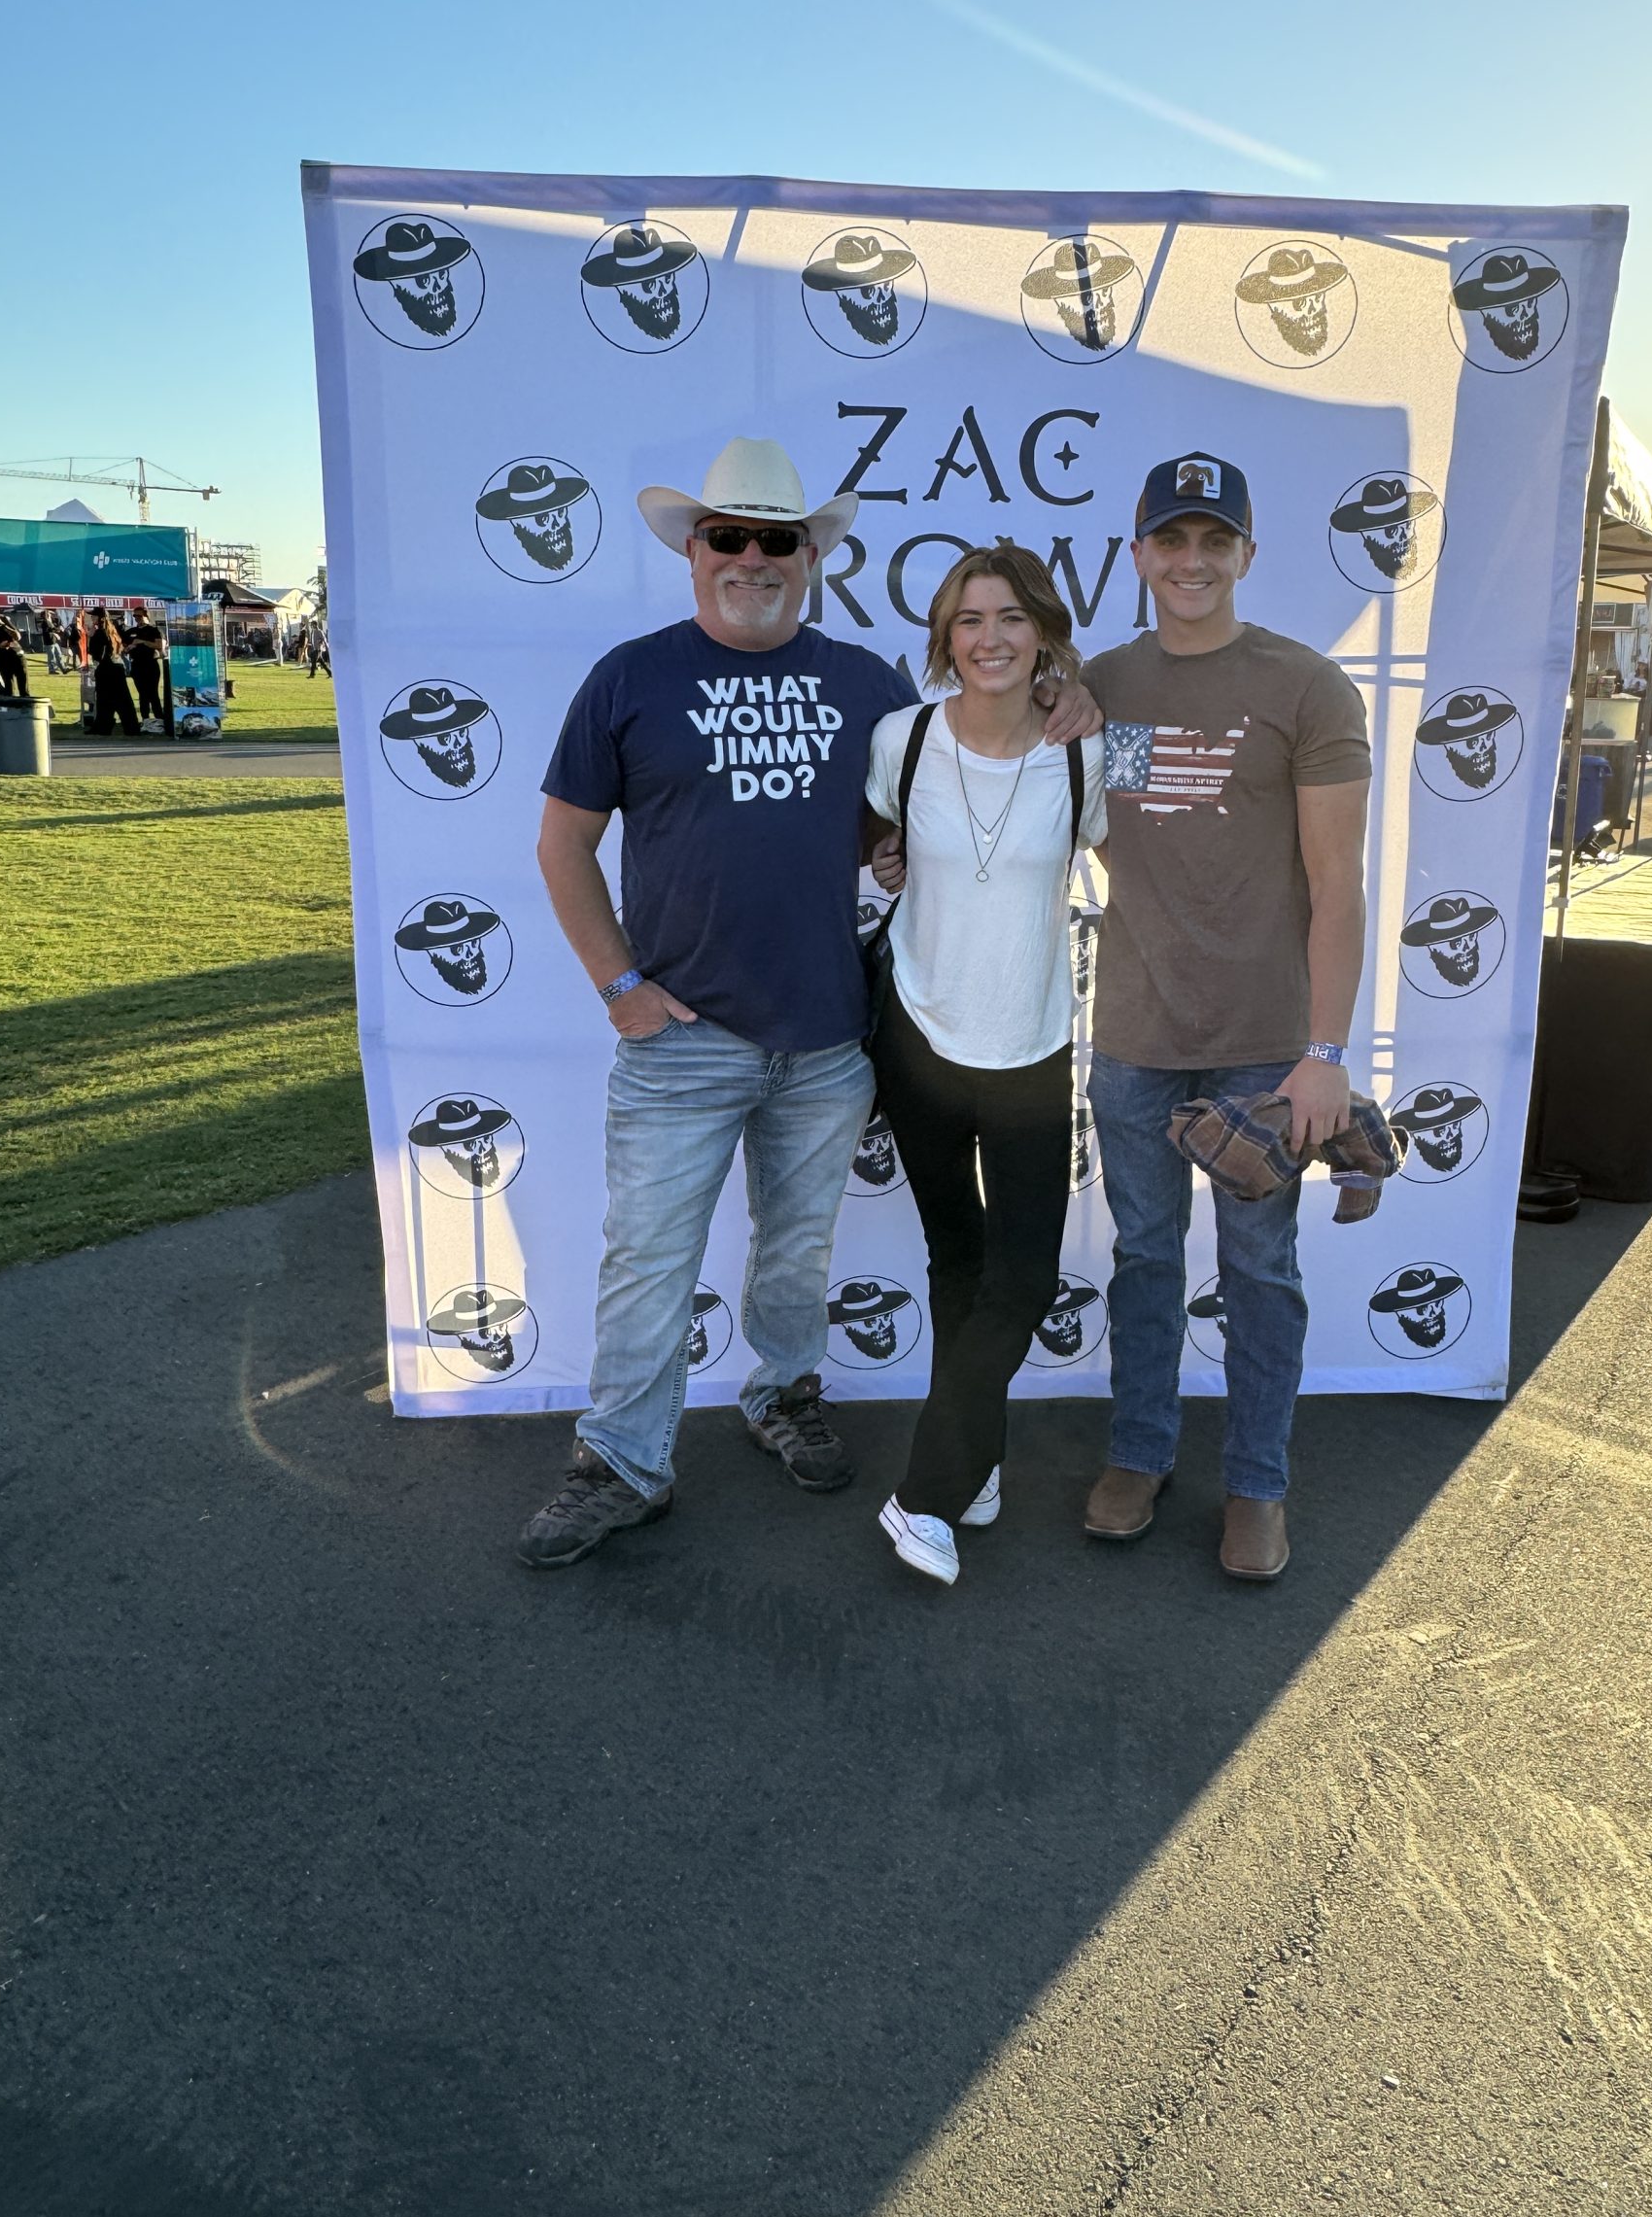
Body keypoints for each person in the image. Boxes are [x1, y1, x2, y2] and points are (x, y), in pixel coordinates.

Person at [517, 438, 1097, 1571]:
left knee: (795, 1253)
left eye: (775, 540)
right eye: (727, 536)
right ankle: (622, 1461)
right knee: (649, 1259)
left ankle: (783, 1392)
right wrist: (620, 985)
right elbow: (562, 843)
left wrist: (1065, 694)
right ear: (694, 550)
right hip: (681, 1038)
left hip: (831, 1037)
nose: (751, 557)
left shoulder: (869, 686)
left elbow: (954, 770)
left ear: (810, 556)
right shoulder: (630, 677)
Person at [1079, 452, 1371, 1582]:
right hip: (1135, 1032)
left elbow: (1338, 885)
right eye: (1171, 539)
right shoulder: (1101, 686)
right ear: (1138, 552)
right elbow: (1074, 821)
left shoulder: (1307, 686)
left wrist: (1326, 1053)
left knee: (1261, 1272)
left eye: (1214, 540)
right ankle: (1140, 1453)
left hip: (1264, 1045)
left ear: (1247, 552)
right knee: (1145, 1258)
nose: (1191, 561)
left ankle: (1257, 1483)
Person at [864, 545, 1108, 1586]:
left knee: (1025, 1275)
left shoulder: (1088, 751)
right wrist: (885, 857)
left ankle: (922, 1492)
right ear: (944, 638)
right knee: (956, 1260)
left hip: (1031, 1042)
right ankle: (977, 1463)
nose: (990, 638)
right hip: (917, 1033)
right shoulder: (904, 737)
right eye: (969, 620)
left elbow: (1138, 856)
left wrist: (1087, 700)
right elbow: (880, 835)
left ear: (1044, 632)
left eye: (1011, 617)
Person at [86, 614, 138, 736]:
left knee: (104, 701)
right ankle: (131, 727)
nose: (92, 619)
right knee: (123, 700)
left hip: (106, 668)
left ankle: (104, 726)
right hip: (117, 667)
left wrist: (90, 637)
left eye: (94, 617)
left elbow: (96, 652)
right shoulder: (112, 631)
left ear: (100, 619)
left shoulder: (100, 633)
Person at [128, 612, 168, 732]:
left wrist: (142, 641)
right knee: (142, 694)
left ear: (146, 616)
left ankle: (159, 719)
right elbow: (122, 643)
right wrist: (128, 647)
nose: (137, 618)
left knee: (152, 693)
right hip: (137, 665)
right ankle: (145, 719)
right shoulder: (131, 631)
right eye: (135, 616)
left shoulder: (154, 630)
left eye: (139, 616)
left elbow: (159, 645)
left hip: (150, 664)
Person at [0, 608, 27, 698]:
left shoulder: (3, 619)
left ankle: (25, 702)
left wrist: (1, 624)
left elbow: (17, 637)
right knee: (8, 687)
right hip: (1, 657)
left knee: (23, 682)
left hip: (16, 653)